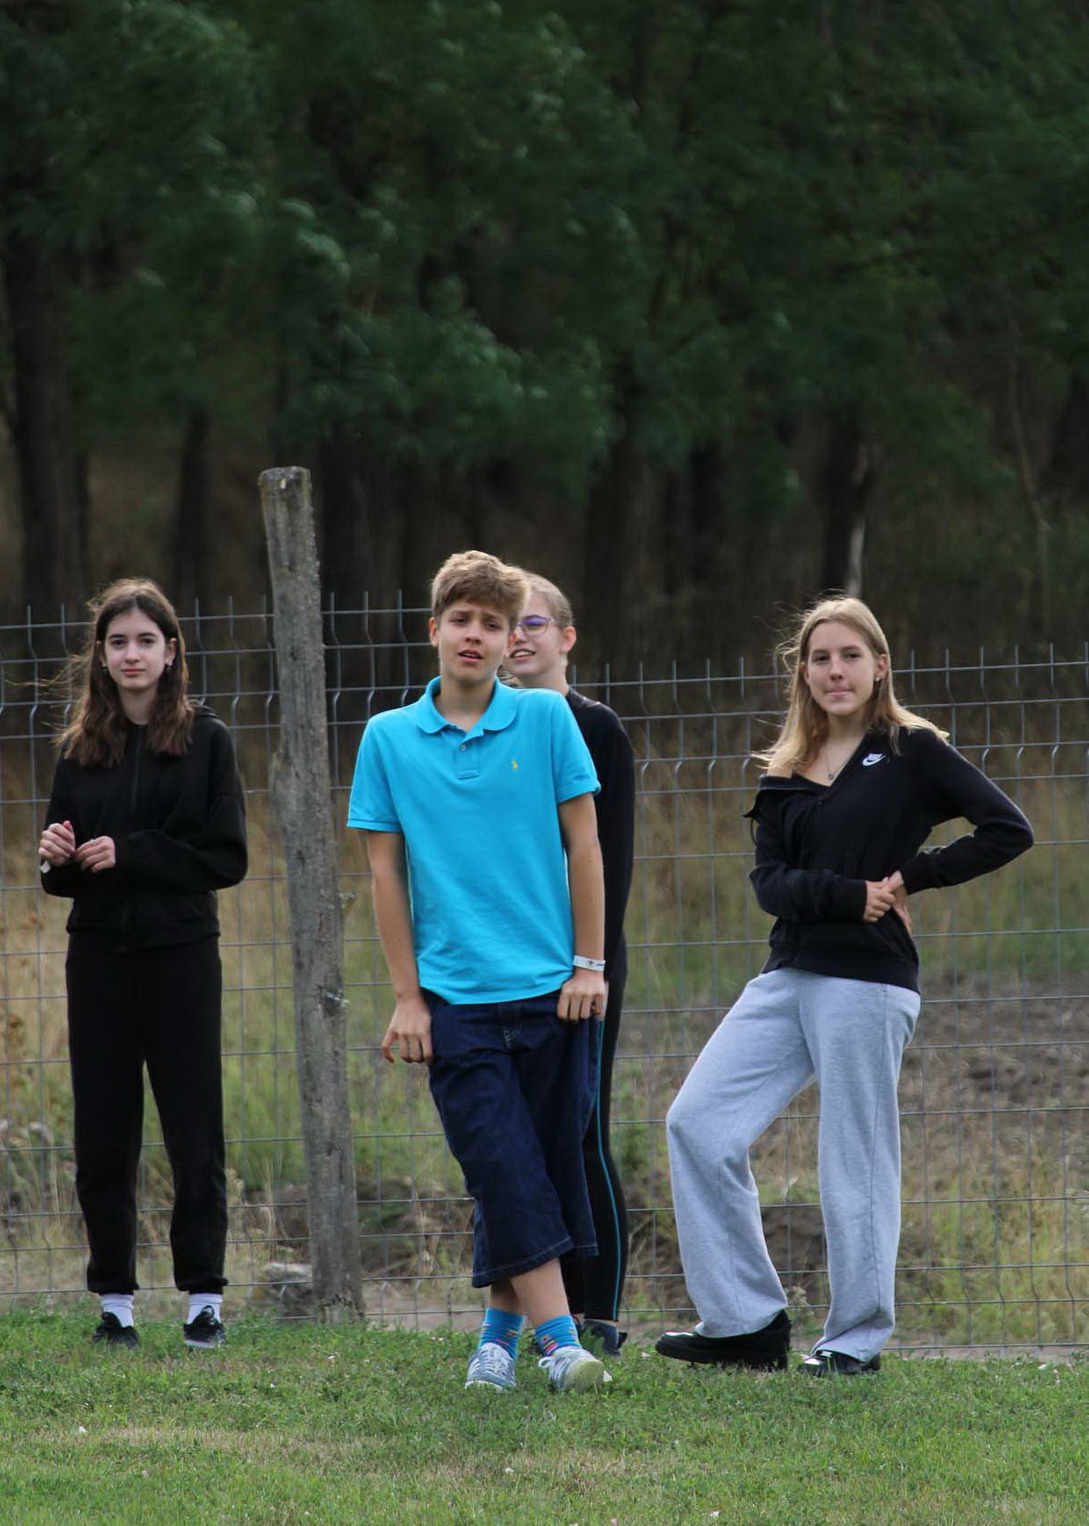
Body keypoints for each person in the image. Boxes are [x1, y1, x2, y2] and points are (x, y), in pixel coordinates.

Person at [657, 596, 1033, 1377]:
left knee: (853, 1158)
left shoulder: (912, 750)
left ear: (879, 666)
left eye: (850, 656)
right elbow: (769, 883)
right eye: (821, 658)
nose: (836, 671)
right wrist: (844, 894)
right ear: (803, 672)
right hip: (788, 973)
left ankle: (854, 1340)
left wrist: (913, 878)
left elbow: (1008, 829)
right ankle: (746, 1323)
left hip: (867, 980)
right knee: (697, 1124)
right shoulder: (784, 770)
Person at [348, 550, 611, 1394]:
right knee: (499, 1162)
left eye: (493, 624)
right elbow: (385, 874)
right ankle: (560, 1344)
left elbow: (586, 844)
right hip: (453, 1000)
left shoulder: (548, 720)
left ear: (509, 641)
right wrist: (407, 998)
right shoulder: (387, 738)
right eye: (461, 620)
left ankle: (496, 1343)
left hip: (553, 994)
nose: (475, 635)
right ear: (434, 630)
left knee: (536, 1172)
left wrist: (589, 966)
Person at [38, 578, 247, 1351]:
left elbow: (226, 858)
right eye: (118, 641)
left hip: (181, 955)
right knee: (103, 1131)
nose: (132, 654)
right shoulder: (78, 751)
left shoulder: (207, 741)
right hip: (97, 955)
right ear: (101, 655)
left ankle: (203, 1300)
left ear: (171, 652)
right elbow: (61, 873)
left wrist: (132, 853)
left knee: (194, 1129)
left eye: (146, 641)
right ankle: (115, 1305)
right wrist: (53, 859)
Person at [503, 574, 634, 1359]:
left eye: (533, 623)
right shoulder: (486, 726)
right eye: (506, 624)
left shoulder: (596, 729)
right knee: (517, 1144)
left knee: (582, 1134)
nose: (518, 637)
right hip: (503, 969)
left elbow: (607, 860)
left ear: (566, 638)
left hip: (582, 966)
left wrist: (590, 965)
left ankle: (601, 1313)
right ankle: (540, 1316)